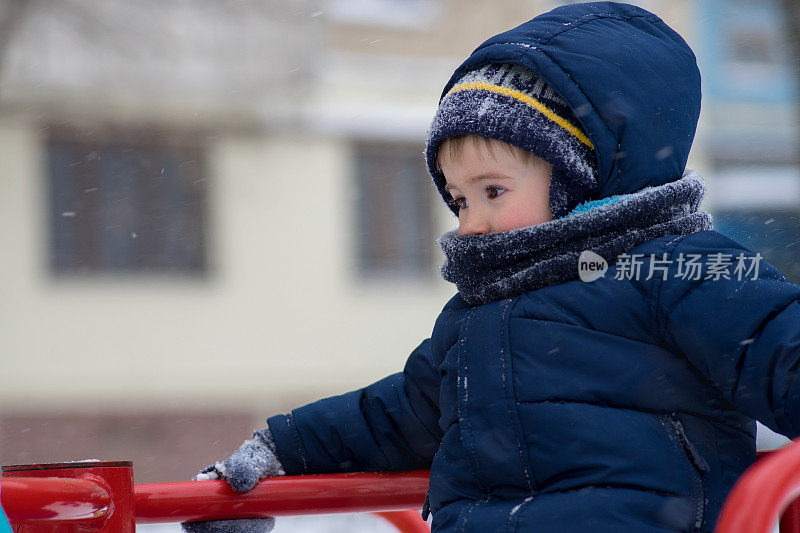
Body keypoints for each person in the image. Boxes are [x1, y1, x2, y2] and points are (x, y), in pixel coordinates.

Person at [182, 2, 800, 532]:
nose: (470, 220)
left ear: (580, 181)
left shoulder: (681, 269)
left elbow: (781, 347)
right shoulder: (477, 316)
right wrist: (281, 452)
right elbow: (400, 413)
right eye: (458, 200)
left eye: (492, 191)